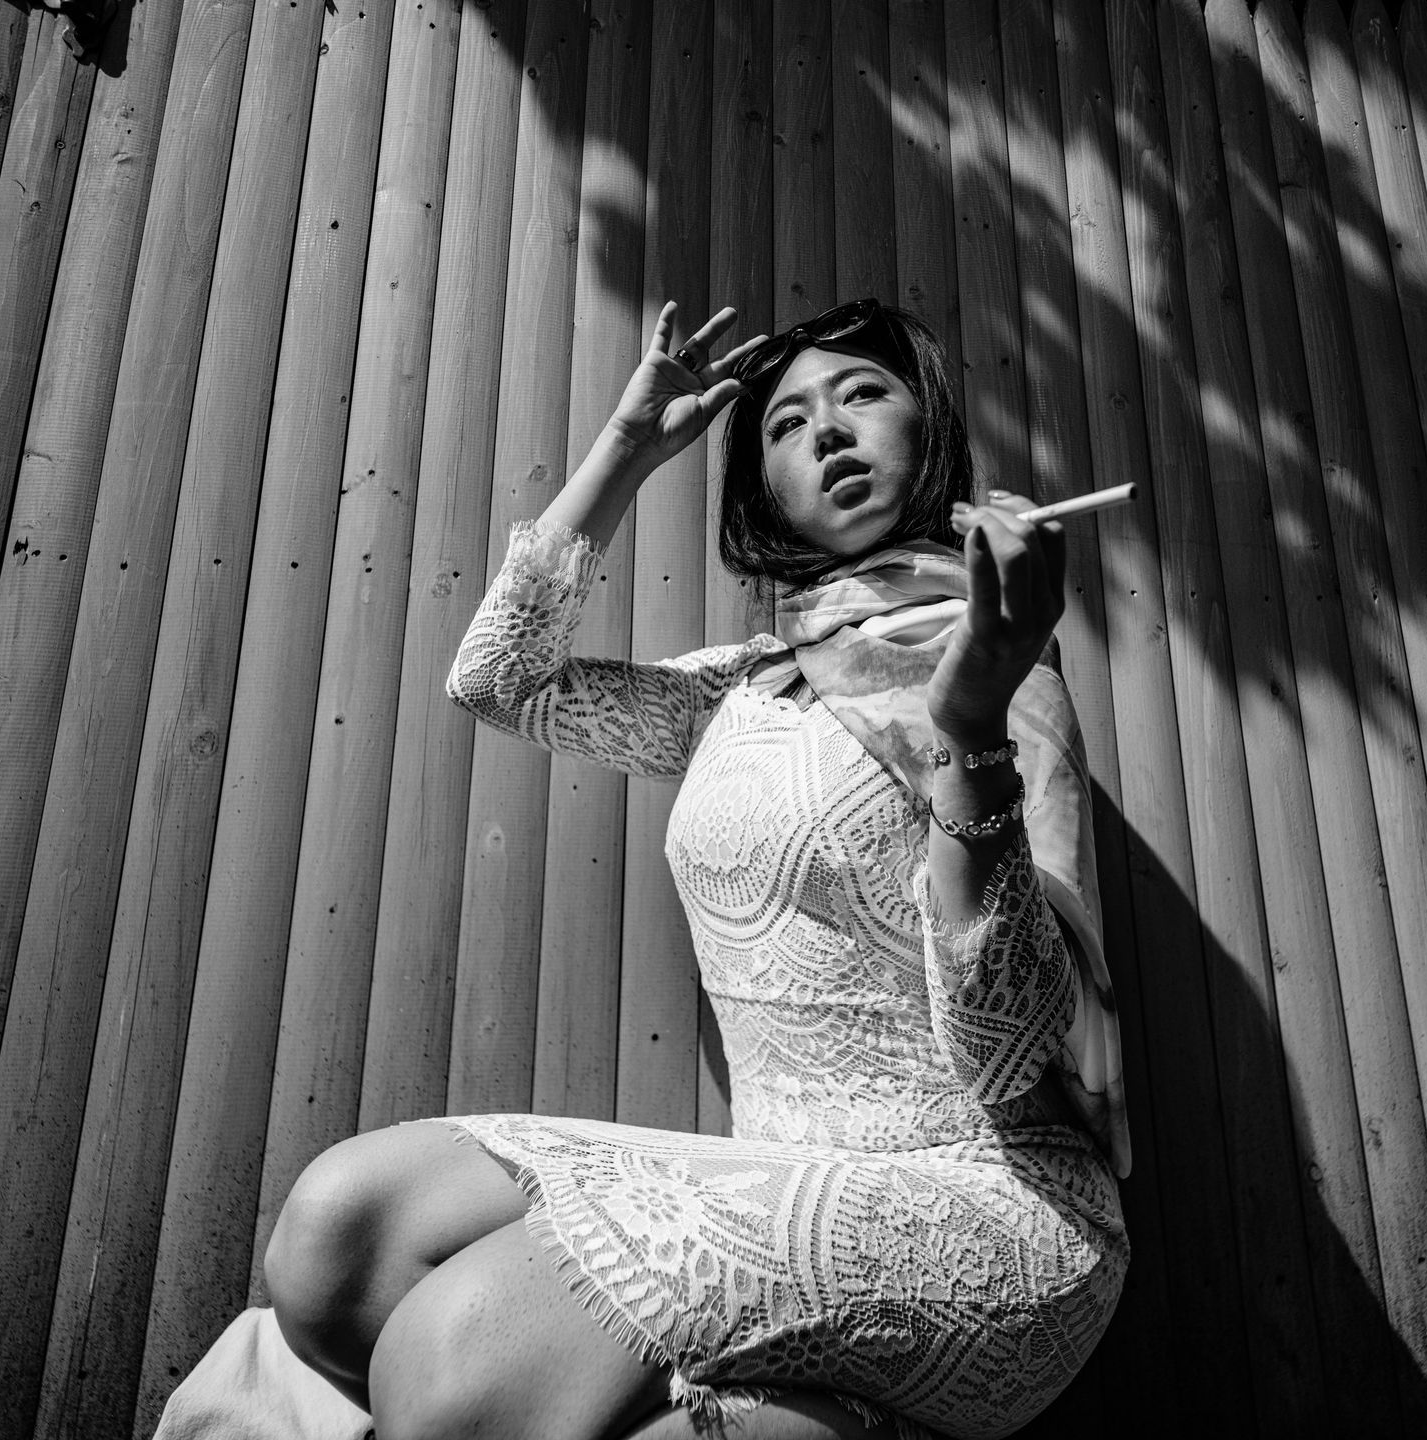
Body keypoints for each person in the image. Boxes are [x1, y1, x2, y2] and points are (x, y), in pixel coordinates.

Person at [259, 298, 1130, 1440]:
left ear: (931, 431)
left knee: (458, 1373)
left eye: (862, 395)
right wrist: (626, 449)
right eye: (785, 424)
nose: (826, 431)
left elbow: (1011, 1051)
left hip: (990, 1203)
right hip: (780, 1177)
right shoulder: (744, 685)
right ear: (767, 490)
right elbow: (500, 681)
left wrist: (970, 729)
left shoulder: (1002, 671)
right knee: (336, 1237)